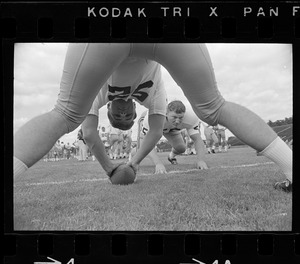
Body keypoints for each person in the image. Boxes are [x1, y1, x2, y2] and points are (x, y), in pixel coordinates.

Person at [14, 43, 292, 192]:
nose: (123, 112)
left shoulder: (101, 94)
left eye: (121, 115)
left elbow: (92, 132)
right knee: (213, 108)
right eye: (124, 116)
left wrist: (116, 167)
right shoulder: (151, 94)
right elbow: (154, 130)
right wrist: (120, 165)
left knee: (64, 113)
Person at [80, 57, 167, 177]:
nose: (122, 113)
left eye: (117, 115)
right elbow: (156, 131)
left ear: (108, 107)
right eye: (128, 116)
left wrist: (109, 168)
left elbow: (88, 132)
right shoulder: (153, 96)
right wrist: (135, 162)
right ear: (134, 108)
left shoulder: (96, 94)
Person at [141, 100, 208, 174]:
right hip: (156, 128)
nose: (177, 121)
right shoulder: (153, 117)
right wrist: (158, 164)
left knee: (181, 148)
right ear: (166, 113)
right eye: (174, 117)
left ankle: (171, 156)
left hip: (172, 130)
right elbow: (146, 143)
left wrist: (201, 160)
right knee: (141, 150)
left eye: (180, 118)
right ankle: (132, 154)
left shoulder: (191, 117)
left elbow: (197, 139)